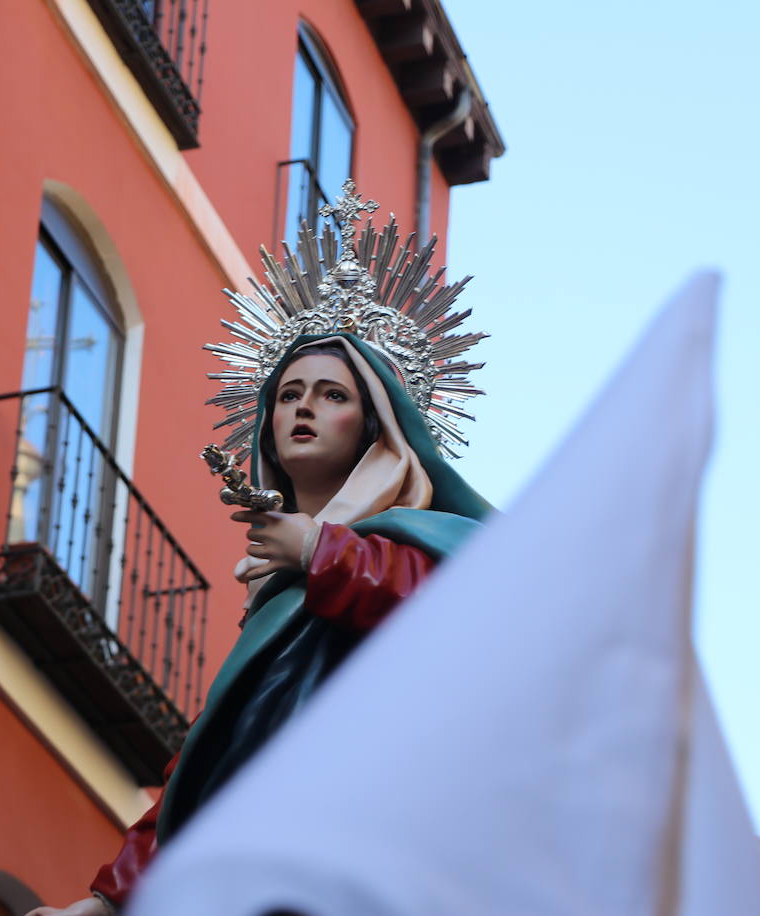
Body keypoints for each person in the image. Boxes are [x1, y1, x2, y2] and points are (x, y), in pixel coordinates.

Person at [27, 184, 492, 916]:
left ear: (379, 430)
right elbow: (213, 770)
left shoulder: (433, 546)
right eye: (289, 392)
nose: (303, 406)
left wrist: (321, 551)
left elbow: (462, 620)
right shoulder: (277, 595)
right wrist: (106, 903)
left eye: (333, 395)